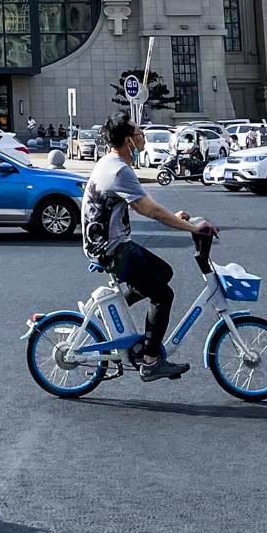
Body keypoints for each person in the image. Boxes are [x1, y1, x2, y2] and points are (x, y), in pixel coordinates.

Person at [76, 113, 216, 382]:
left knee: (163, 272)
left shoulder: (111, 163)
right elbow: (150, 209)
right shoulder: (119, 169)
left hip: (109, 242)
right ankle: (151, 361)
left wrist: (174, 217)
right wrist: (192, 228)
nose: (143, 136)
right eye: (139, 132)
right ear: (129, 140)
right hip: (109, 248)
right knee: (163, 295)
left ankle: (108, 308)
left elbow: (138, 205)